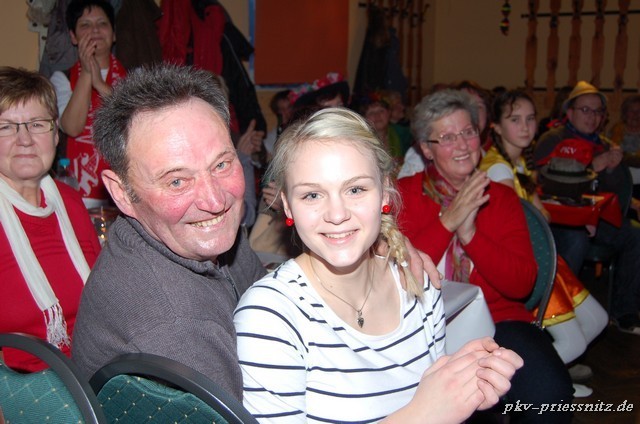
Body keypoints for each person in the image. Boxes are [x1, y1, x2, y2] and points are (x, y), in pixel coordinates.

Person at [71, 64, 438, 401]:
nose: (215, 200)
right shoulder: (172, 328)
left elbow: (256, 287)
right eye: (177, 181)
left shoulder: (193, 236)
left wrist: (368, 242)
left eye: (221, 164)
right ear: (122, 193)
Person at [234, 107, 523, 423]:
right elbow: (426, 413)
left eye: (355, 189)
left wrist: (460, 390)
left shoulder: (418, 284)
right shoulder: (270, 318)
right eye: (313, 195)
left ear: (385, 192)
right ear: (288, 206)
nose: (337, 214)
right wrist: (423, 414)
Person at [397, 89, 574, 423]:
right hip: (418, 325)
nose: (462, 145)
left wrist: (471, 236)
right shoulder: (403, 195)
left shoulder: (502, 199)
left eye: (468, 132)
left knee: (550, 397)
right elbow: (397, 277)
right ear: (425, 149)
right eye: (447, 137)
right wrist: (448, 223)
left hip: (499, 322)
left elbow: (521, 285)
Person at [480, 89, 608, 397]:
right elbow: (526, 224)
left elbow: (542, 213)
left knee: (597, 319)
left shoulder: (516, 163)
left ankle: (553, 379)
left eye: (530, 118)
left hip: (546, 262)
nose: (525, 127)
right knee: (574, 341)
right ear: (496, 127)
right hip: (528, 265)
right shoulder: (499, 169)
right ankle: (526, 386)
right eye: (515, 120)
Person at [0, 67, 100, 372]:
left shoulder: (70, 202)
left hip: (92, 368)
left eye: (37, 124)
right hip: (24, 387)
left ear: (56, 134)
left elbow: (104, 294)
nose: (25, 140)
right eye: (6, 127)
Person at [535, 81, 640, 334]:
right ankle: (557, 313)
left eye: (597, 112)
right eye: (585, 110)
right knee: (576, 240)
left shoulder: (604, 143)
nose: (592, 117)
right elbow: (542, 182)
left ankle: (623, 312)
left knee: (635, 235)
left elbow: (617, 192)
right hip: (557, 219)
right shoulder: (553, 139)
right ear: (569, 112)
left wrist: (612, 168)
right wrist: (593, 165)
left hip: (596, 218)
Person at [50, 0, 126, 208]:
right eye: (85, 25)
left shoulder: (133, 76)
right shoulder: (61, 78)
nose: (95, 30)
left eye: (102, 23)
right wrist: (86, 73)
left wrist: (99, 84)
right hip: (77, 193)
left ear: (114, 34)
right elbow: (72, 127)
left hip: (124, 194)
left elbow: (132, 120)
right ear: (73, 36)